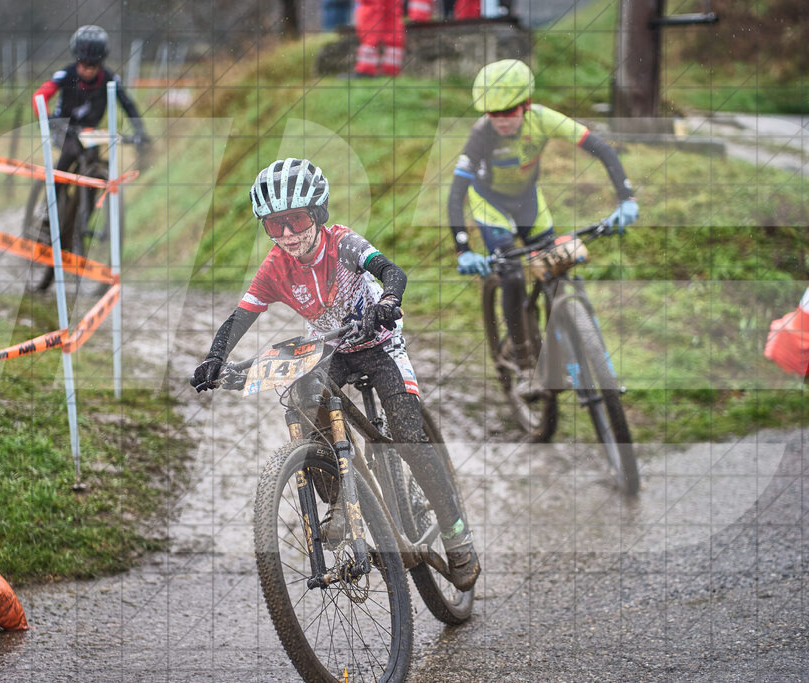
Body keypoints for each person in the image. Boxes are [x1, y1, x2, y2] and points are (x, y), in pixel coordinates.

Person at [192, 158, 480, 592]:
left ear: (319, 215)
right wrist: (215, 357)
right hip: (332, 348)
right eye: (275, 225)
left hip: (378, 343)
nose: (288, 234)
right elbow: (240, 317)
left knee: (406, 434)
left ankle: (457, 534)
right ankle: (344, 501)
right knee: (304, 397)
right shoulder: (275, 267)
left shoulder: (341, 243)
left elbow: (391, 271)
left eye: (297, 220)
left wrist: (387, 303)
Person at [448, 59, 639, 366]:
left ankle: (560, 335)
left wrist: (626, 199)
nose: (501, 121)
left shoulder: (543, 119)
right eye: (492, 113)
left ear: (526, 104)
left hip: (528, 202)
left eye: (508, 111)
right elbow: (456, 192)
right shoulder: (481, 135)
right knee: (511, 274)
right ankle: (522, 350)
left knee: (558, 268)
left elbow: (602, 148)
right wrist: (463, 250)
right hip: (490, 206)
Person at [32, 25, 149, 176]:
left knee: (94, 160)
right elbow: (39, 96)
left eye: (93, 65)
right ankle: (53, 194)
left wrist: (139, 129)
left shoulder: (110, 79)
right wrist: (48, 119)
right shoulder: (66, 74)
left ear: (101, 63)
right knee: (71, 151)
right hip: (64, 128)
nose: (88, 70)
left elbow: (128, 104)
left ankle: (89, 196)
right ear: (76, 60)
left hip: (90, 131)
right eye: (84, 64)